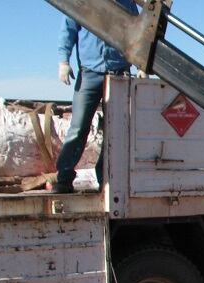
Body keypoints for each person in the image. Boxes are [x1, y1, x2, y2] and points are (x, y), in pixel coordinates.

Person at [51, 0, 143, 194]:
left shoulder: (126, 3)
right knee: (78, 127)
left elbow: (138, 33)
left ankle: (106, 179)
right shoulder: (83, 2)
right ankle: (64, 177)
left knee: (115, 132)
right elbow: (68, 29)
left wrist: (141, 64)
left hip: (118, 73)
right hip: (90, 73)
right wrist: (63, 61)